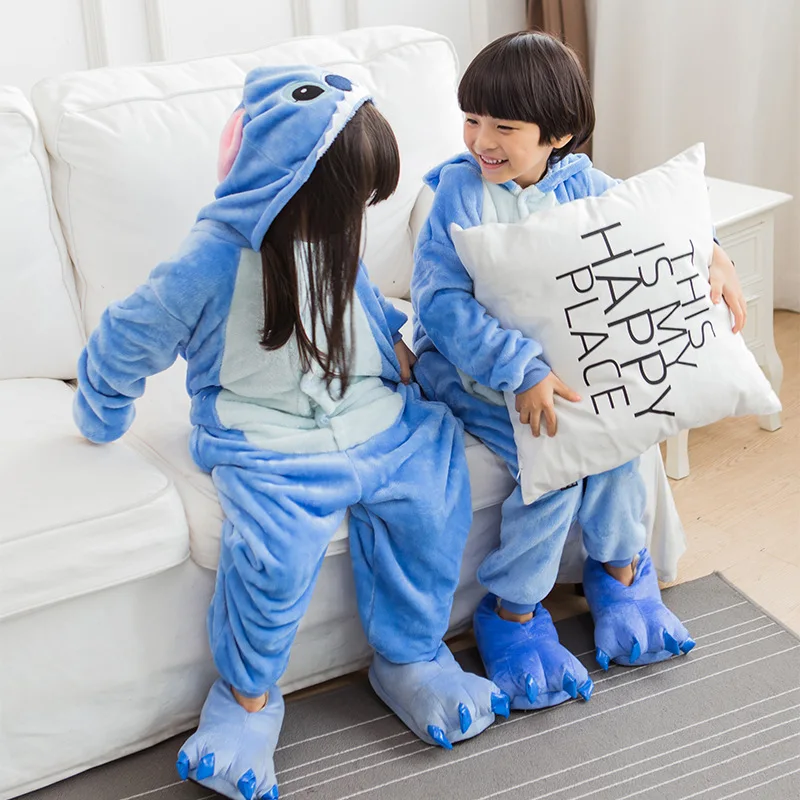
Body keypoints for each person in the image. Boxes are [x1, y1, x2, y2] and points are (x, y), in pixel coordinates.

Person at [72, 66, 508, 800]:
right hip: (264, 436)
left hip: (370, 414)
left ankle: (411, 658)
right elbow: (132, 332)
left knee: (434, 503)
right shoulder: (213, 257)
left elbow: (361, 300)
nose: (355, 219)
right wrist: (103, 403)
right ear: (287, 183)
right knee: (271, 558)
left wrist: (394, 346)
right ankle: (245, 704)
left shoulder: (333, 233)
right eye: (348, 201)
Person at [411, 31, 746, 712]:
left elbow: (656, 224)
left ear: (558, 135)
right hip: (468, 370)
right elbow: (439, 304)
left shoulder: (584, 185)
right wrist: (518, 367)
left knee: (619, 442)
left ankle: (621, 575)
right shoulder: (458, 193)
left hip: (563, 371)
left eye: (504, 127)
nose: (481, 140)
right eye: (472, 119)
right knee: (557, 466)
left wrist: (713, 253)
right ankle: (511, 612)